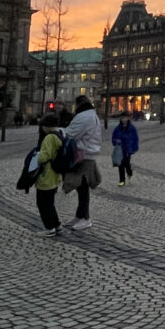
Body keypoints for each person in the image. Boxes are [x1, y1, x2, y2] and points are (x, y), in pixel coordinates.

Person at [61, 96, 102, 231]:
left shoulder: (84, 116)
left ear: (78, 104)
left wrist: (58, 132)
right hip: (87, 153)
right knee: (81, 187)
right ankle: (80, 216)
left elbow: (71, 134)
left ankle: (85, 218)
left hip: (82, 154)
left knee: (82, 186)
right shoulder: (91, 115)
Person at [34, 112, 63, 236]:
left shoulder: (49, 138)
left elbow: (44, 156)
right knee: (50, 201)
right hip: (55, 174)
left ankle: (50, 227)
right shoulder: (60, 135)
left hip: (47, 174)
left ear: (46, 126)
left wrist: (36, 156)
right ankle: (56, 224)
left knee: (43, 202)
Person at [112, 112, 139, 186]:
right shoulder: (117, 128)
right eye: (122, 118)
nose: (124, 119)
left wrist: (134, 147)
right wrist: (115, 142)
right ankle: (122, 180)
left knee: (127, 164)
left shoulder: (132, 128)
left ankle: (129, 172)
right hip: (120, 149)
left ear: (128, 118)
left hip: (128, 149)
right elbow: (114, 137)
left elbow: (135, 138)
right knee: (120, 165)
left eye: (125, 118)